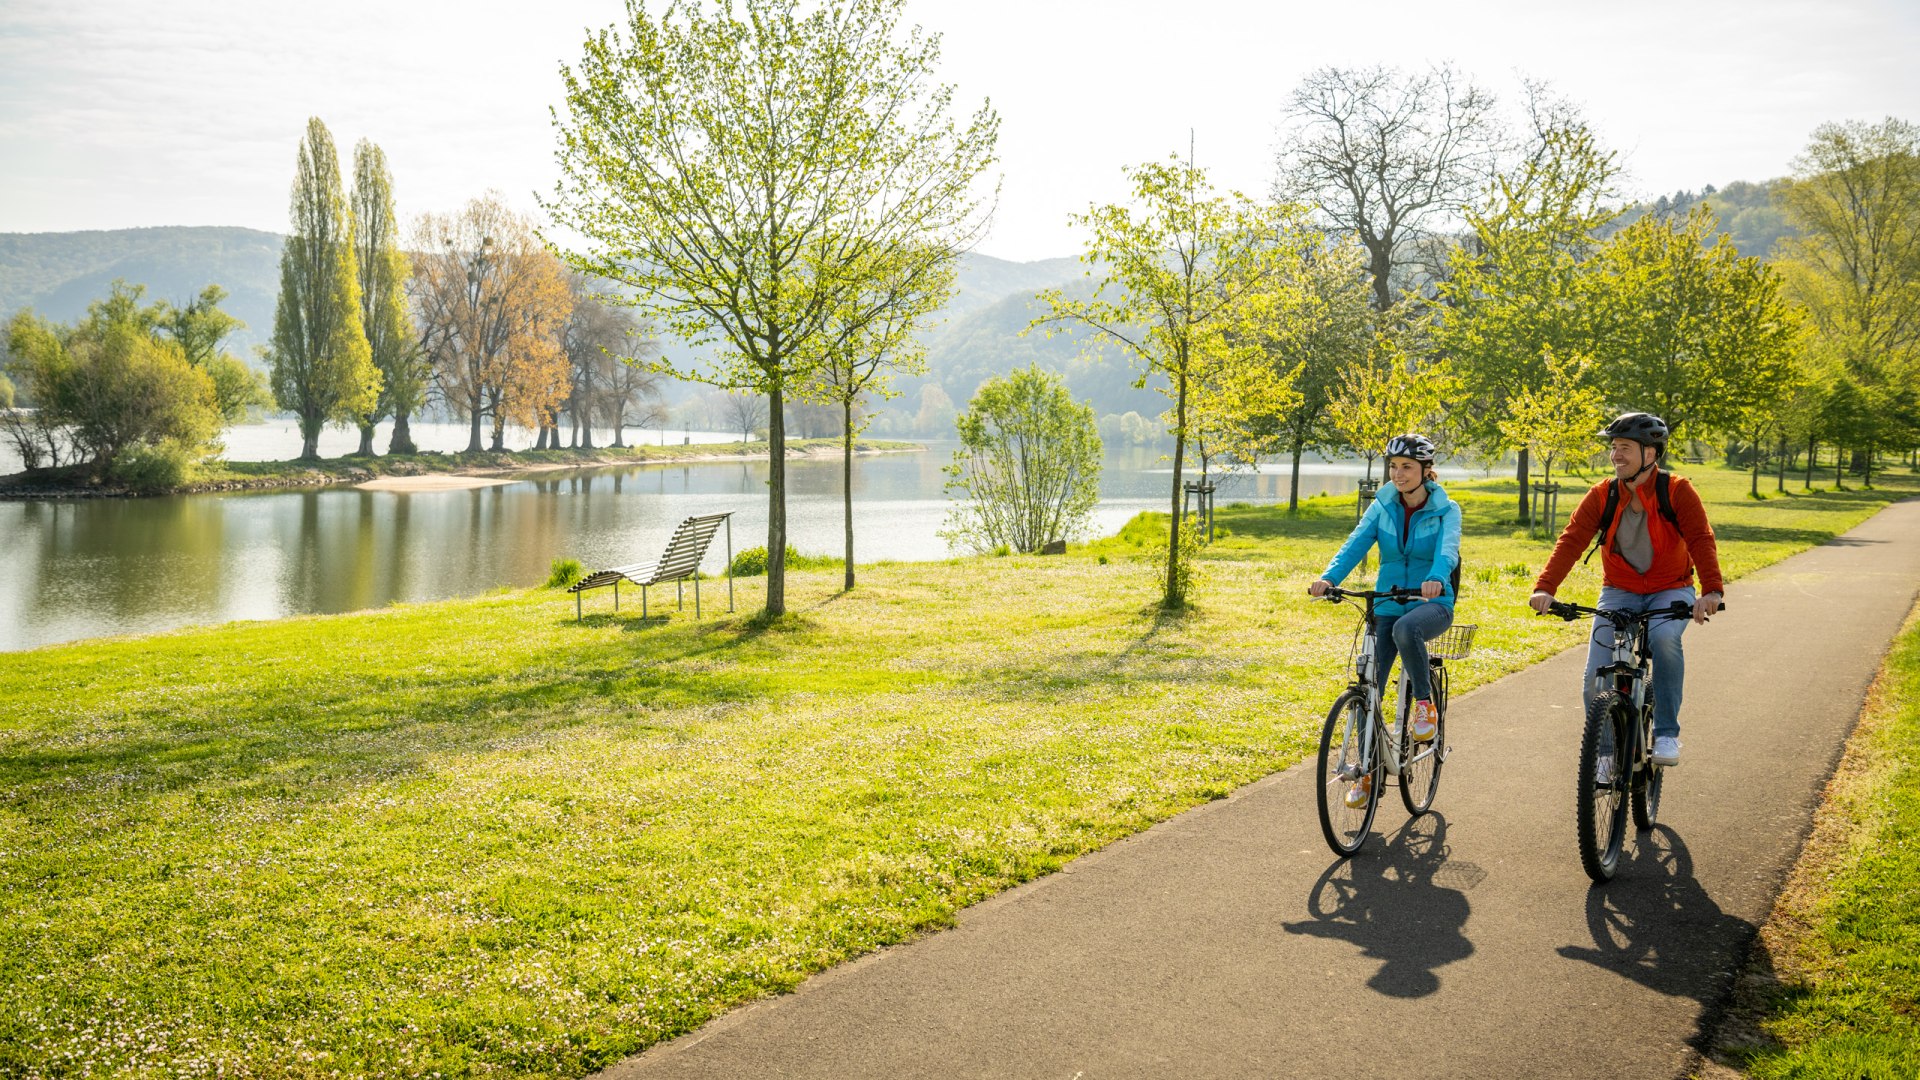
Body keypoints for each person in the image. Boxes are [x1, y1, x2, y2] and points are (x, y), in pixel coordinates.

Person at [1528, 412, 1723, 768]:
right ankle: (1604, 753)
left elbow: (1700, 539)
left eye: (1625, 448)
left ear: (1651, 453)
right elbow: (1571, 541)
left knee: (1664, 640)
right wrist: (1545, 587)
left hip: (1671, 589)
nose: (1616, 455)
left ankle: (1665, 733)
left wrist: (1711, 590)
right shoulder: (1603, 494)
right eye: (1614, 447)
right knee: (1595, 676)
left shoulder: (1677, 490)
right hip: (1619, 590)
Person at [1310, 434, 1463, 809]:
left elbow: (1448, 551)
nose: (1398, 474)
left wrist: (1437, 579)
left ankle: (1424, 704)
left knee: (1406, 629)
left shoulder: (1447, 510)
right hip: (1388, 600)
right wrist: (1330, 578)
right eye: (1393, 467)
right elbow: (1355, 543)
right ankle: (1366, 771)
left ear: (1427, 472)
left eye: (1407, 467)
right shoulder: (1381, 507)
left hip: (1432, 603)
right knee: (1369, 685)